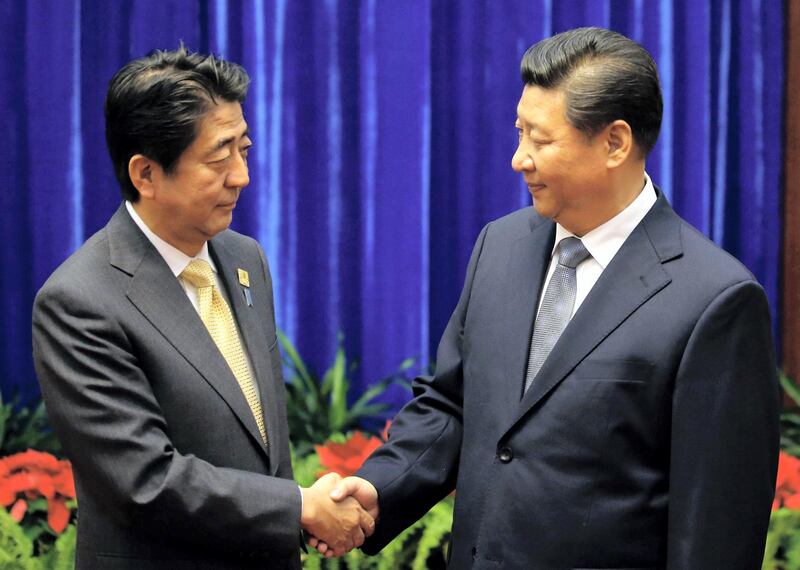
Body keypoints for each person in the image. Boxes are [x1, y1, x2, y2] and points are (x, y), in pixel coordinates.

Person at [319, 27, 780, 568]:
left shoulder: (715, 300)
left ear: (615, 143)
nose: (519, 159)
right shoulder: (501, 245)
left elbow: (714, 528)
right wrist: (379, 491)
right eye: (519, 134)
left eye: (540, 140)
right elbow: (453, 403)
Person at [32, 47, 372, 569]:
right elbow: (145, 481)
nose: (241, 176)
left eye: (245, 149)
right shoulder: (80, 301)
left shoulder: (243, 257)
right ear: (146, 174)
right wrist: (300, 507)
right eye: (219, 157)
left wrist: (301, 510)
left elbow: (253, 439)